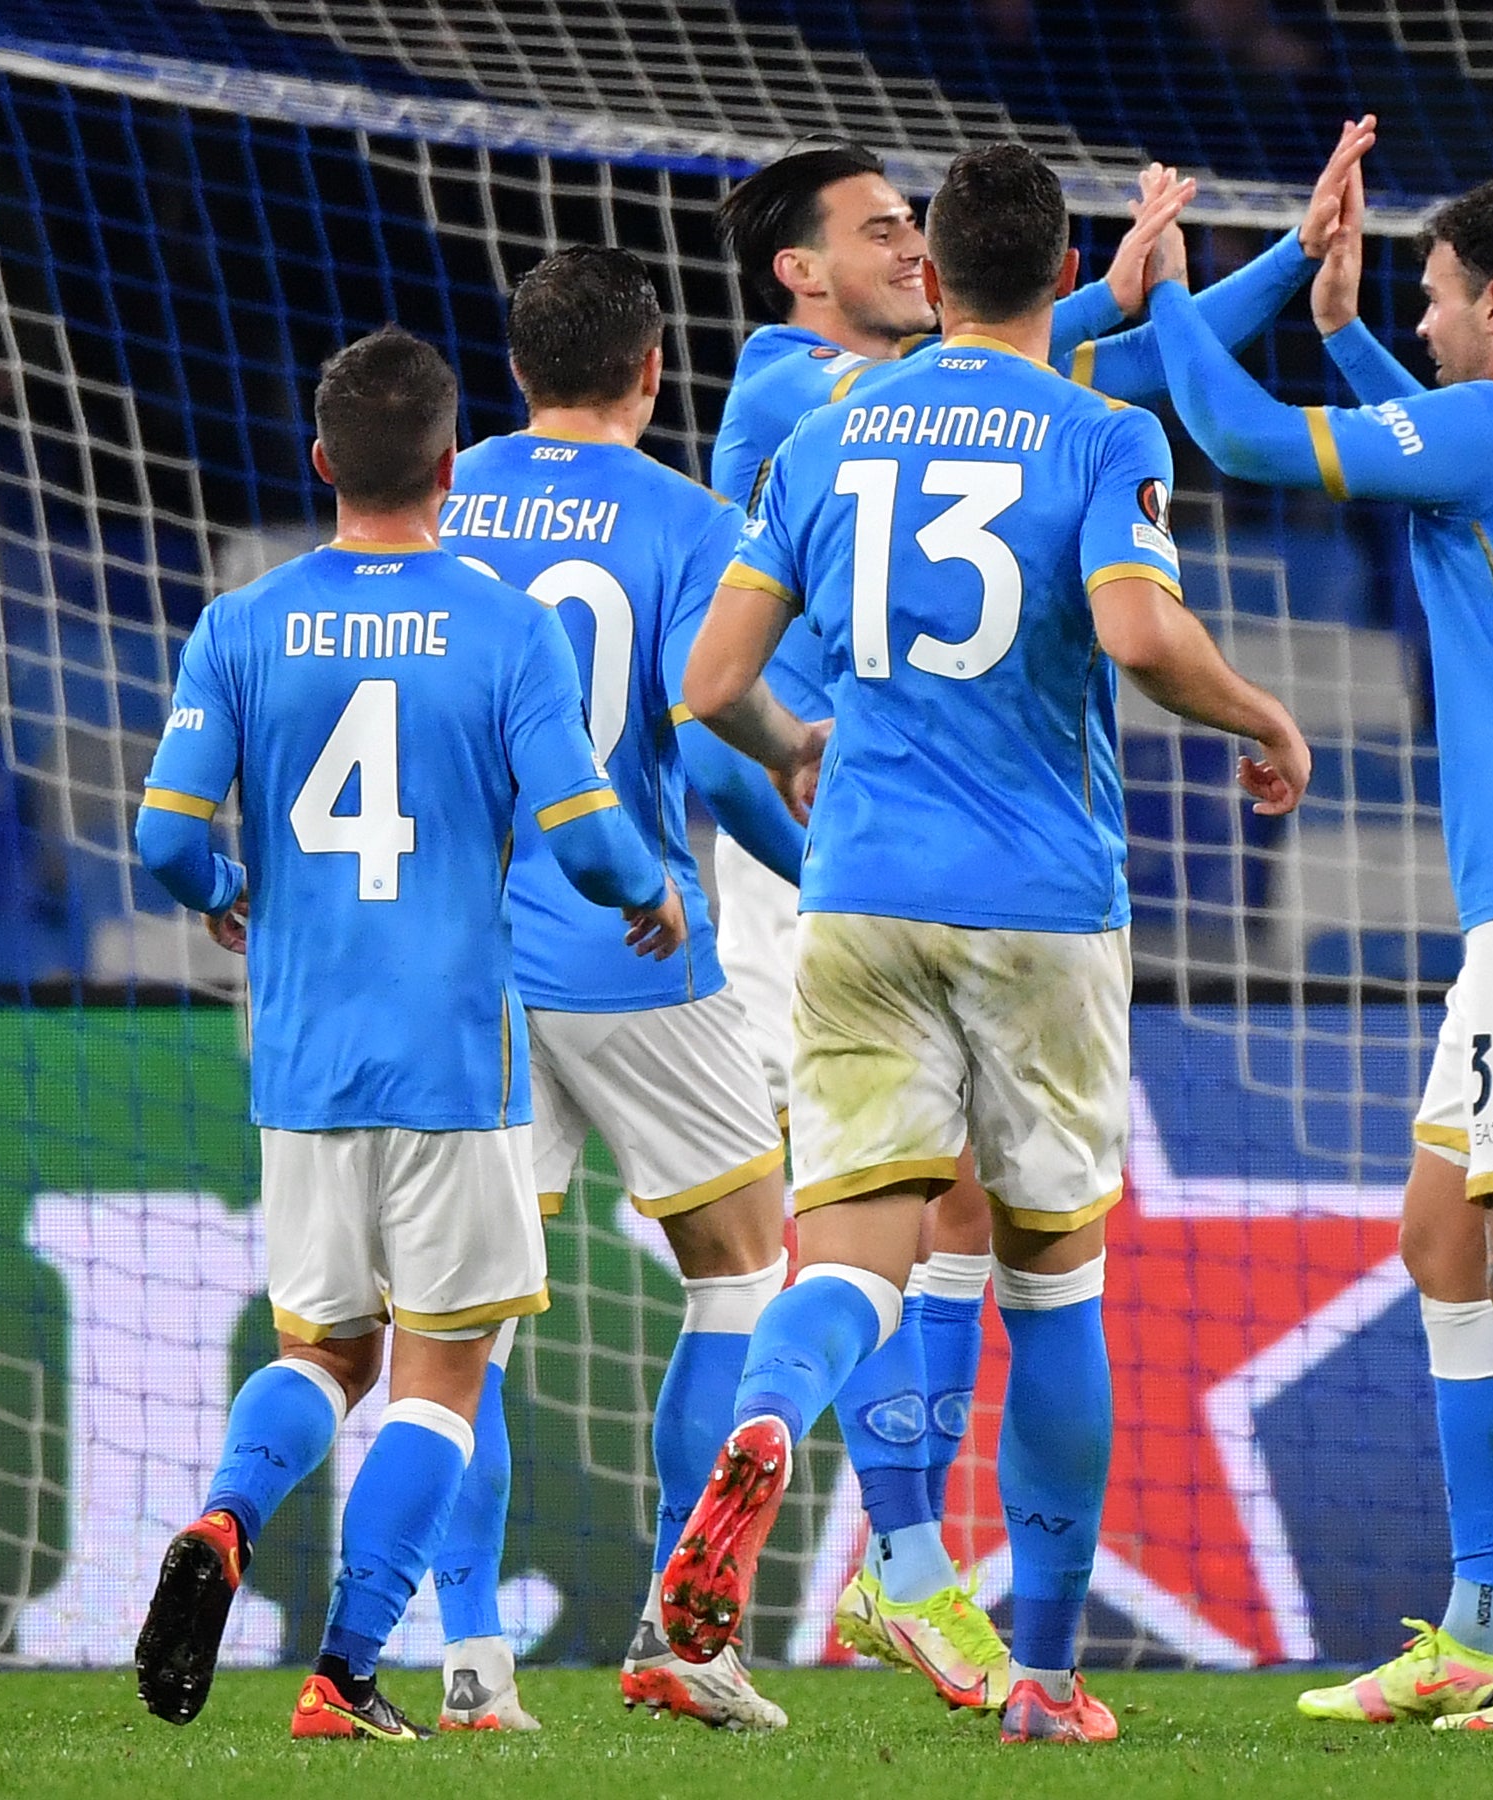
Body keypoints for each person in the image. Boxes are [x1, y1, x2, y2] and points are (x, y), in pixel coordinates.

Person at [704, 122, 1367, 1704]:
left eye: (898, 233)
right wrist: (1261, 716)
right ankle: (1035, 1659)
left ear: (931, 269)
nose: (882, 253)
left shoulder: (842, 427)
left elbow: (707, 678)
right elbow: (1088, 420)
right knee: (1047, 1277)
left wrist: (1249, 265)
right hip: (1010, 889)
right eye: (857, 232)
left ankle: (841, 1499)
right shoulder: (790, 382)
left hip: (851, 873)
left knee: (878, 1245)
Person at [1153, 171, 1493, 1731]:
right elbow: (1463, 471)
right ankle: (1480, 1626)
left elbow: (1245, 442)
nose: (1418, 311)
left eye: (1432, 291)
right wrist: (1344, 339)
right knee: (1446, 1241)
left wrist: (1171, 302)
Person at [129, 326, 681, 1740]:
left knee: (322, 1352)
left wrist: (227, 893)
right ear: (450, 466)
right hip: (454, 1060)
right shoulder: (505, 623)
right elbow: (580, 828)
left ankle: (227, 1515)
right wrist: (649, 894)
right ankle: (345, 1674)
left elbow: (163, 837)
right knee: (440, 1373)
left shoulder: (242, 623)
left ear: (322, 462)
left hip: (303, 1065)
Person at [423, 245, 806, 1732]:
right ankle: (679, 1631)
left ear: (516, 372)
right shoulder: (692, 519)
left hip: (461, 965)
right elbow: (709, 741)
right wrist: (802, 846)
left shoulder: (438, 508)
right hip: (634, 945)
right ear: (655, 370)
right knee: (739, 1269)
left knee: (464, 1326)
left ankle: (469, 1668)